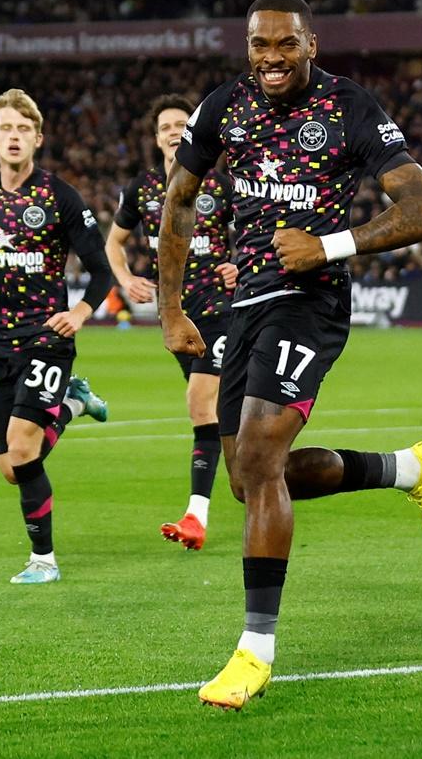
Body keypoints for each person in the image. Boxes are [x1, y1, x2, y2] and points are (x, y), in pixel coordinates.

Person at [158, 0, 422, 710]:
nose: (271, 58)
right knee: (249, 477)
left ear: (311, 45)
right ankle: (410, 468)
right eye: (260, 45)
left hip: (311, 304)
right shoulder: (223, 105)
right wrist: (170, 307)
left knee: (259, 461)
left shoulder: (348, 108)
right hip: (244, 304)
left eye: (286, 44)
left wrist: (330, 244)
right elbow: (179, 199)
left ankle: (255, 651)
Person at [0, 88, 113, 585]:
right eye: (6, 128)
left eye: (23, 129)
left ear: (37, 138)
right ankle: (75, 404)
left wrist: (81, 311)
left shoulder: (59, 197)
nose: (14, 137)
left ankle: (43, 560)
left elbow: (101, 272)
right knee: (10, 466)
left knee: (23, 450)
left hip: (47, 337)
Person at [105, 94, 238, 551]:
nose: (174, 130)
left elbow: (259, 232)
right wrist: (124, 278)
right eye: (165, 125)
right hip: (174, 316)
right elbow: (113, 243)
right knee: (219, 419)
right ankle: (255, 483)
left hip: (221, 308)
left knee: (200, 404)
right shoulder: (141, 190)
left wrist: (239, 264)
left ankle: (196, 515)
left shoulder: (220, 186)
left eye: (182, 123)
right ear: (156, 136)